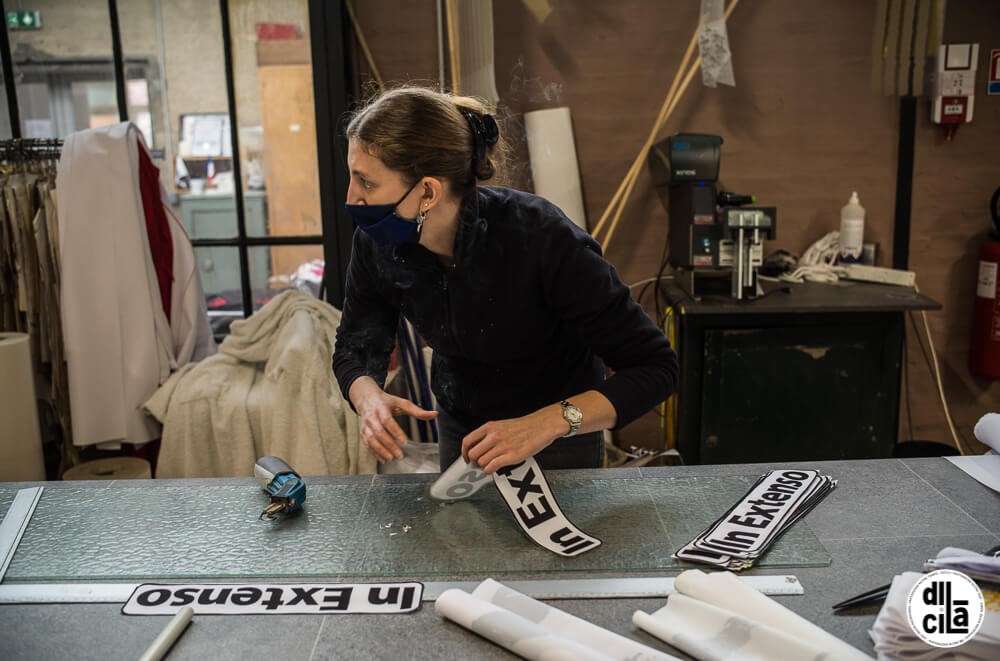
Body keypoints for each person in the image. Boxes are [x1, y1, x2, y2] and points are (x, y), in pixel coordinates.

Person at [332, 86, 678, 474]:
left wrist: (546, 423)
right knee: (463, 533)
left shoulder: (541, 238)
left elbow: (655, 369)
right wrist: (367, 397)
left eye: (367, 183)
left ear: (428, 191)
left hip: (556, 432)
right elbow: (355, 344)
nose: (351, 197)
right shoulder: (378, 243)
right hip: (463, 428)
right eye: (352, 176)